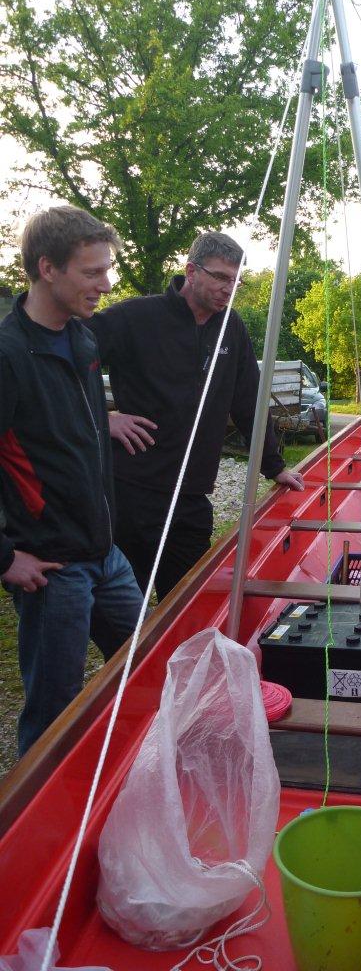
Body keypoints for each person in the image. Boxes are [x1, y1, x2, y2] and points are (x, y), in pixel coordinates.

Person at [87, 232, 304, 600]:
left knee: (189, 605)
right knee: (124, 612)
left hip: (191, 497)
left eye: (236, 280)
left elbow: (248, 400)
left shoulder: (231, 327)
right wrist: (101, 418)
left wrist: (274, 465)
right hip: (132, 493)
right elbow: (65, 358)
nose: (228, 288)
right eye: (220, 277)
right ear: (191, 271)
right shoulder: (135, 317)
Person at [0, 206, 143, 755]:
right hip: (53, 568)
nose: (105, 285)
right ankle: (40, 804)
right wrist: (5, 558)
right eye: (92, 272)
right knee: (53, 713)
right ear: (47, 268)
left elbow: (58, 421)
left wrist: (102, 419)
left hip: (107, 556)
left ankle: (128, 768)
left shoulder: (82, 339)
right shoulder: (8, 355)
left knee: (148, 663)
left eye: (107, 270)